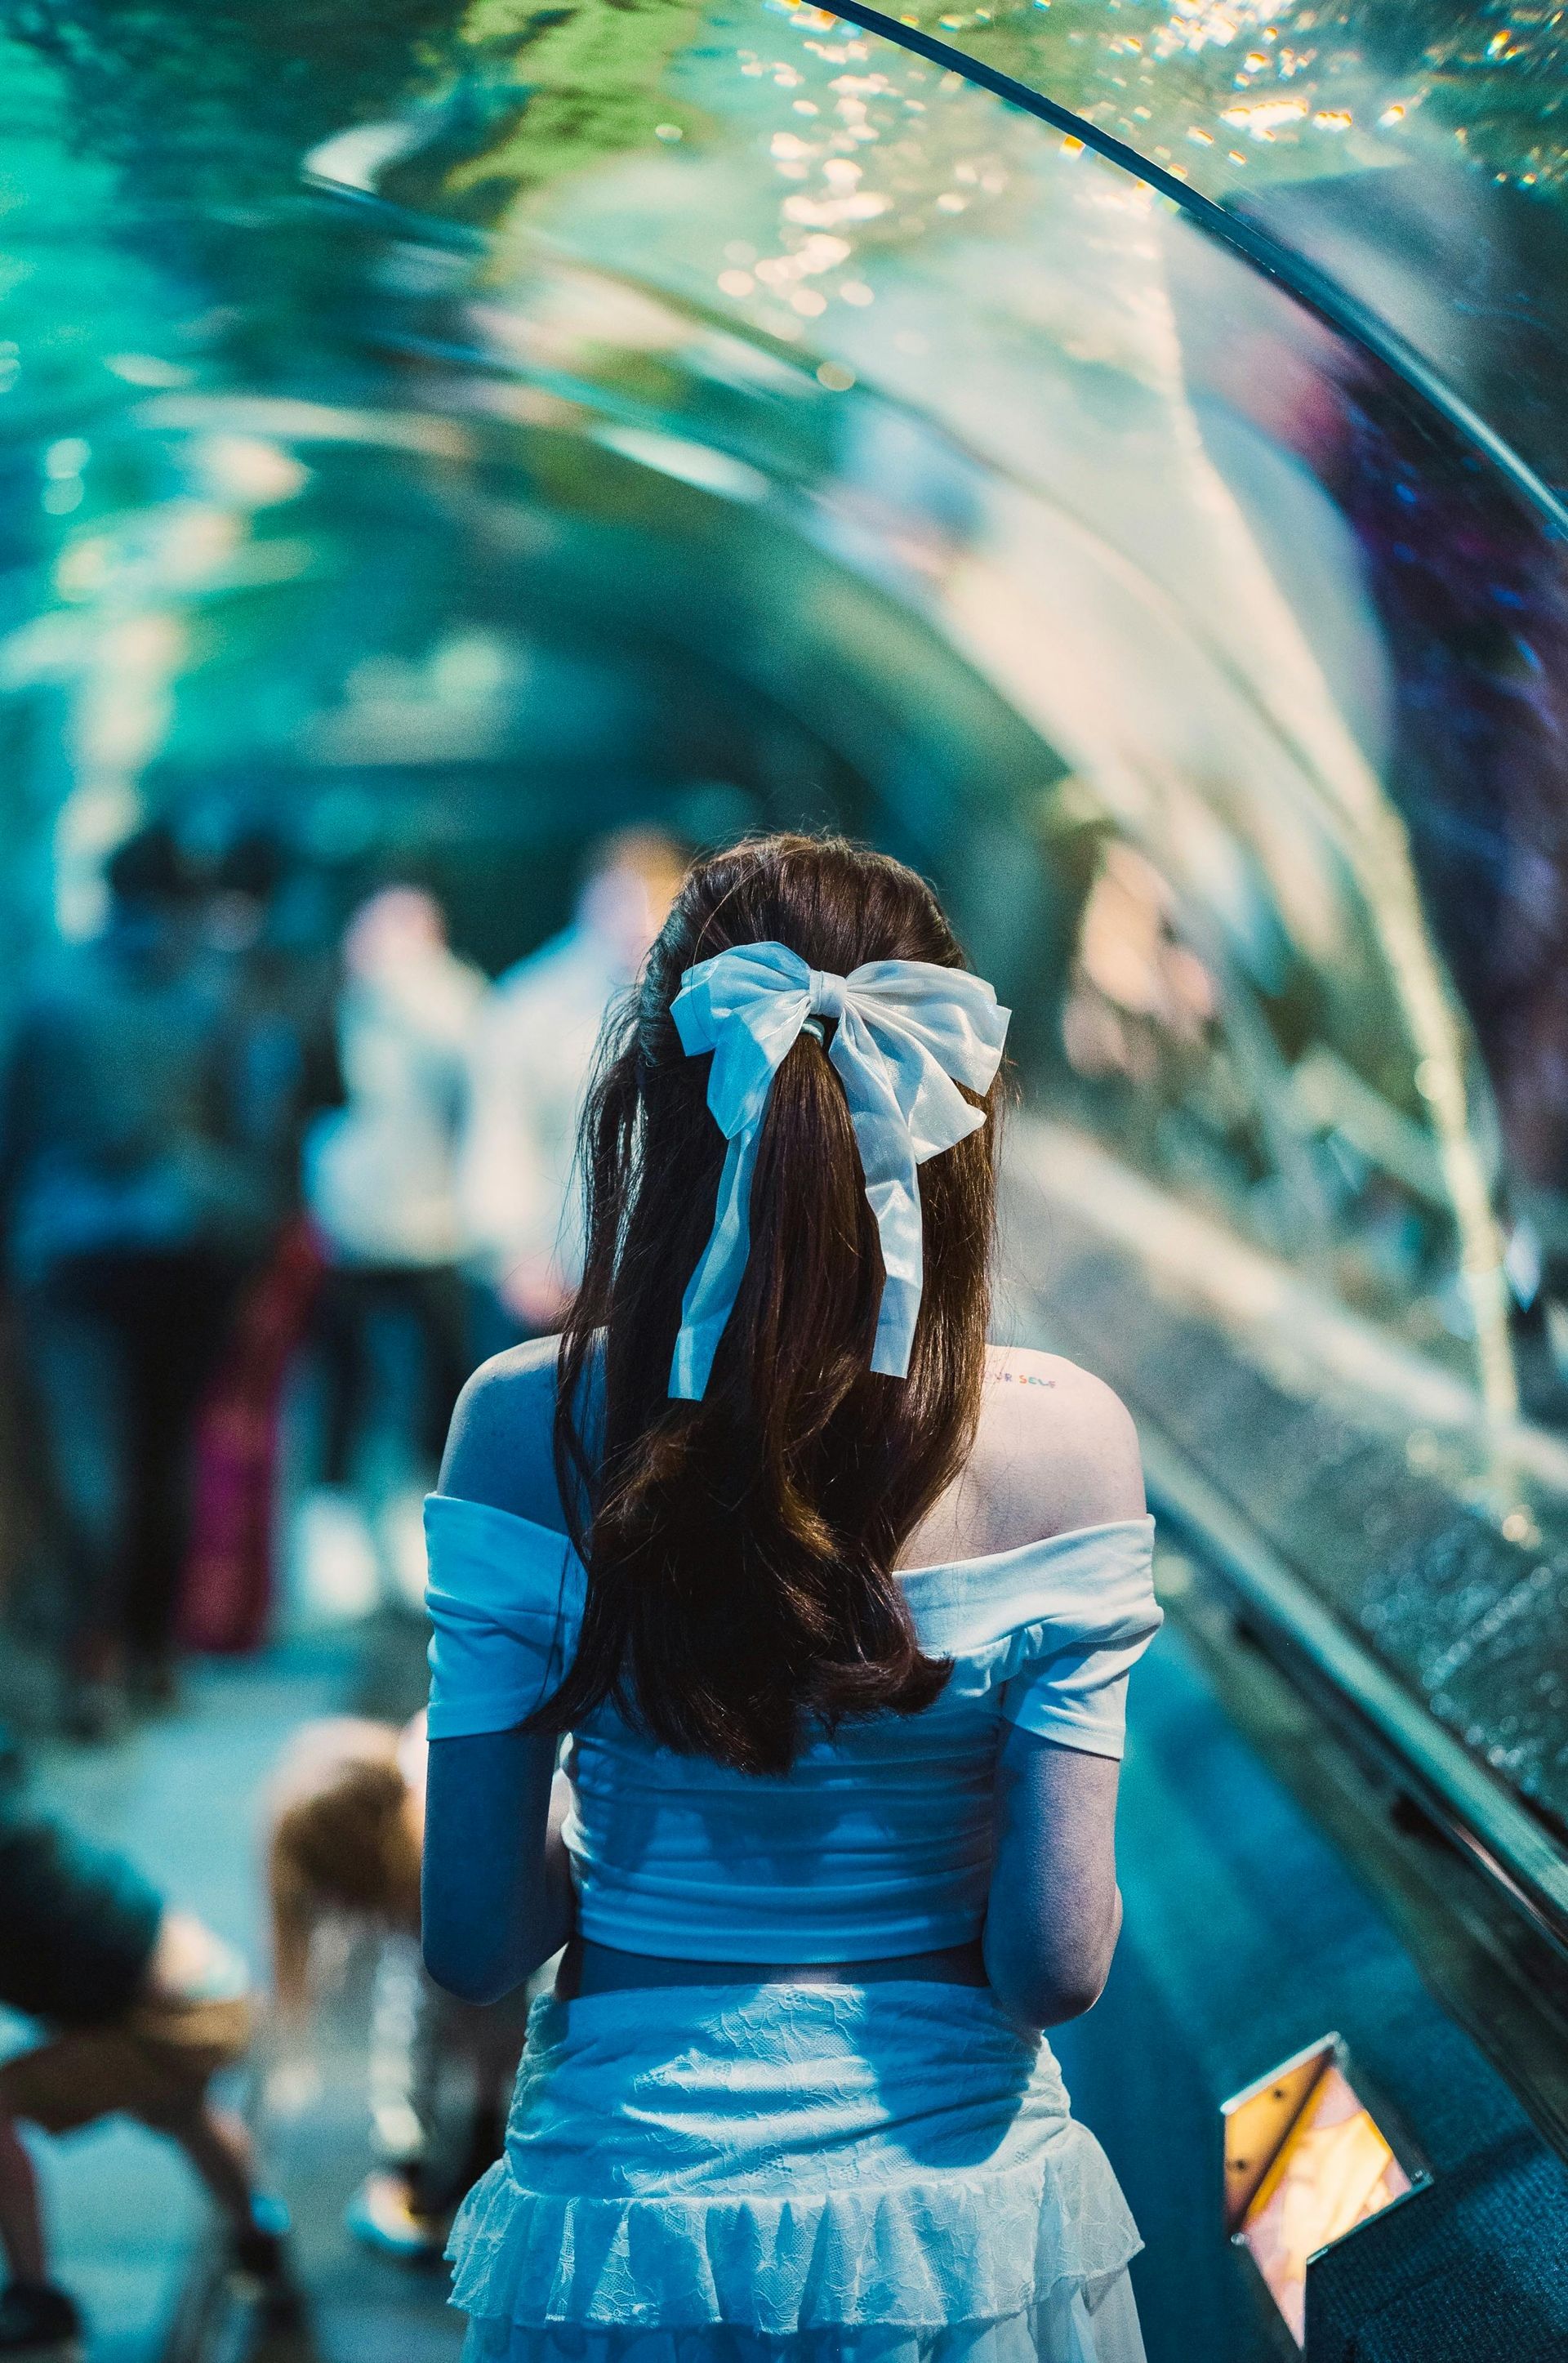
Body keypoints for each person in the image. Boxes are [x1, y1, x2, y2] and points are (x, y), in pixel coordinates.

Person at [421, 833, 1161, 2363]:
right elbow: (1054, 1960)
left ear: (651, 1107)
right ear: (960, 1124)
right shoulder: (1069, 1439)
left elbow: (478, 1932)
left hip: (621, 2219)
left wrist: (640, 1863)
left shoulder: (521, 1424)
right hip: (952, 2226)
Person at [0, 823, 274, 1732]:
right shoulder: (211, 993)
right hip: (191, 1252)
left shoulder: (50, 993)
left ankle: (93, 1661)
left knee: (90, 1457)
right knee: (167, 1455)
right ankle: (157, 1656)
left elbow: (13, 1132)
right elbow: (254, 1140)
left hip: (72, 1256)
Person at [0, 1753, 287, 2356]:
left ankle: (40, 2303)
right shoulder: (20, 1824)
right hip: (210, 1985)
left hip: (179, 2020)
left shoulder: (14, 1860)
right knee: (183, 2110)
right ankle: (258, 2238)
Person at [265, 1713, 529, 2260]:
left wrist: (435, 2146)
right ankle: (478, 2136)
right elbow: (412, 2006)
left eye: (339, 1894)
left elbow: (493, 2010)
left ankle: (487, 2136)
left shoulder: (458, 1851)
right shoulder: (412, 1816)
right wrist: (404, 2151)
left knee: (493, 2012)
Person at [301, 885, 487, 1612]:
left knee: (440, 1389)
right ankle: (337, 1542)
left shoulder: (463, 1007)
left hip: (437, 1225)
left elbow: (476, 1098)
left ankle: (425, 1531)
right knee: (344, 1385)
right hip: (348, 1228)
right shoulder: (330, 1006)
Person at [457, 828, 684, 1356]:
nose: (640, 920)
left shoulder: (698, 998)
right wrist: (513, 1253)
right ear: (590, 903)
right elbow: (499, 1135)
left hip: (669, 1274)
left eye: (657, 900)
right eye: (624, 901)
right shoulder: (531, 1005)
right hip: (560, 1281)